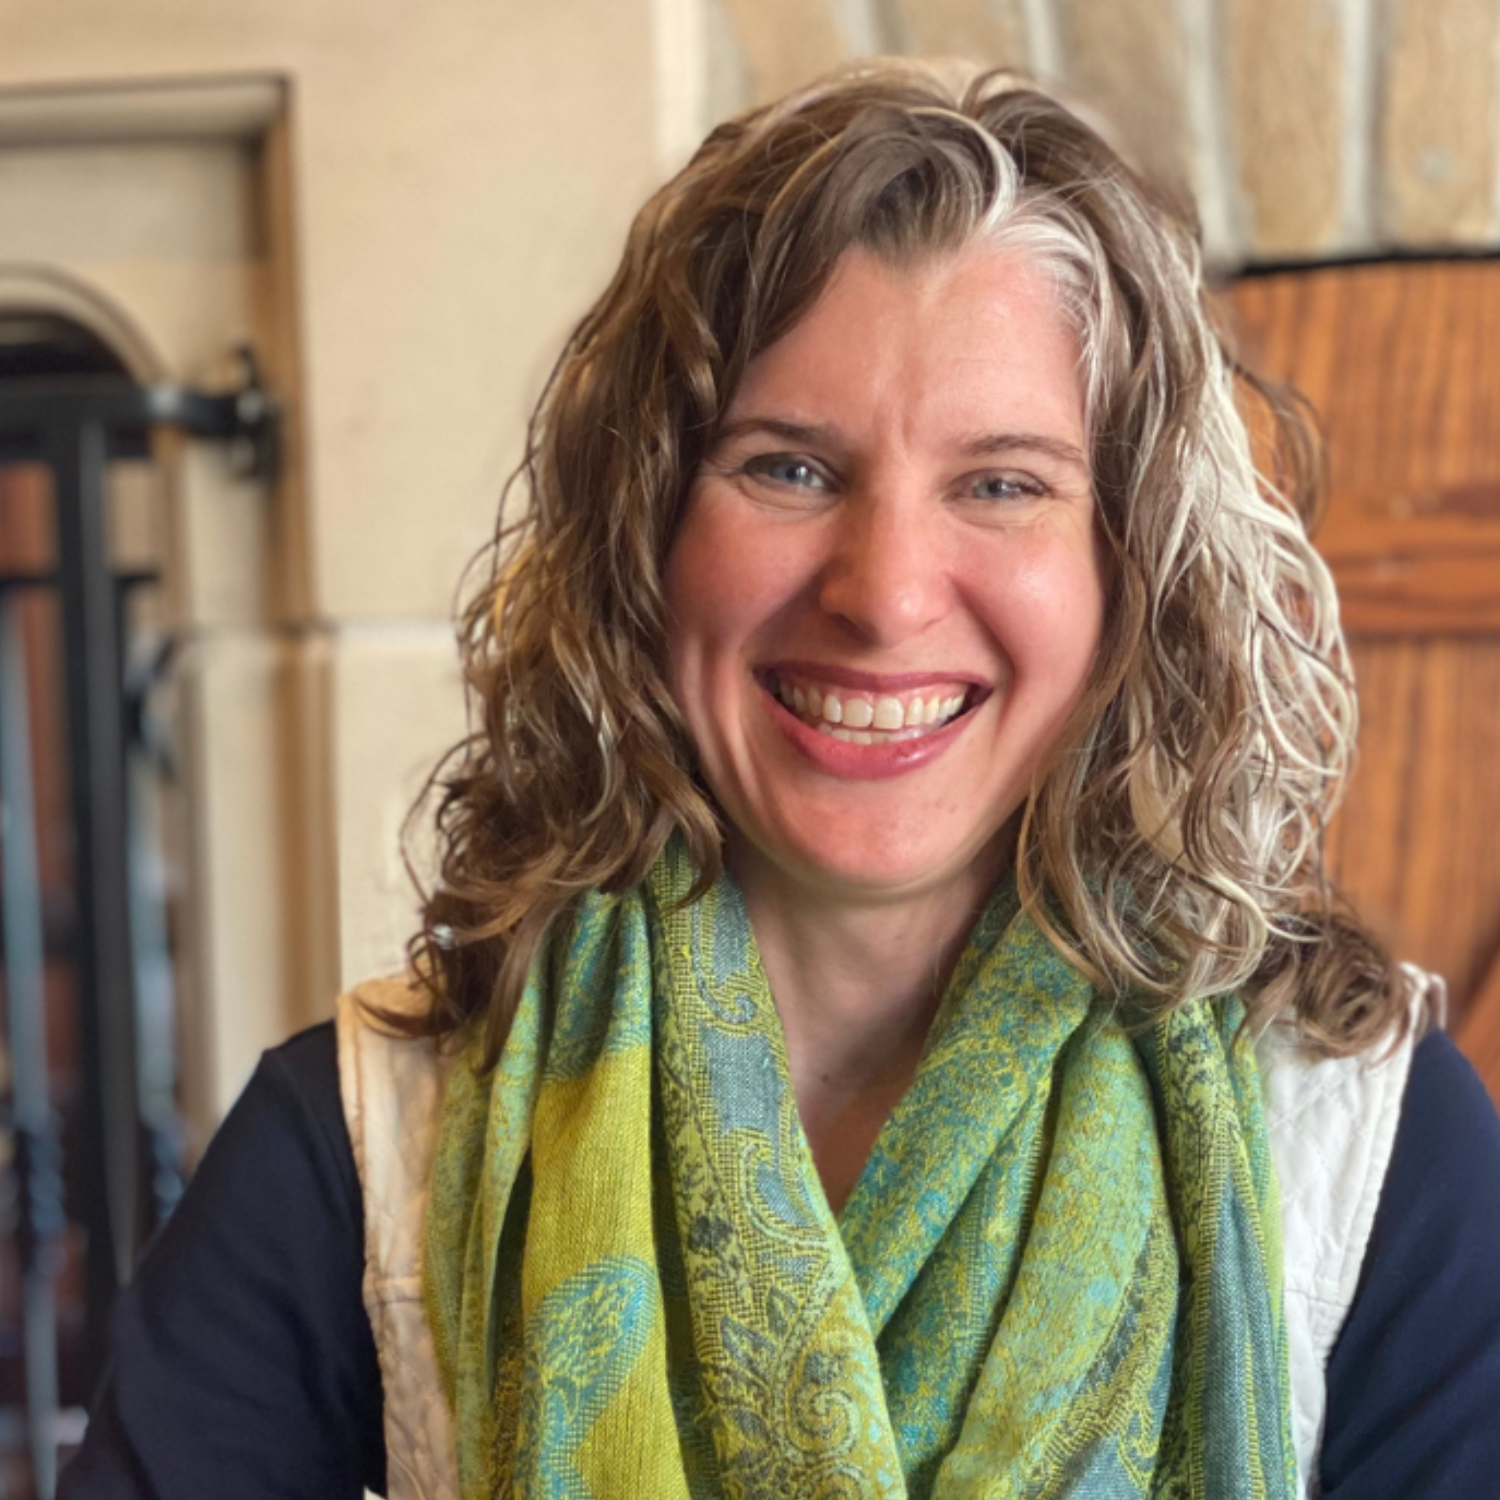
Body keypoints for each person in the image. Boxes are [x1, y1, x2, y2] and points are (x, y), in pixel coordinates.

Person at [61, 60, 1500, 1500]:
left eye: (1002, 482)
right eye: (789, 469)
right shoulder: (364, 1155)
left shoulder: (1367, 1154)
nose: (883, 596)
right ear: (642, 544)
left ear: (1133, 575)